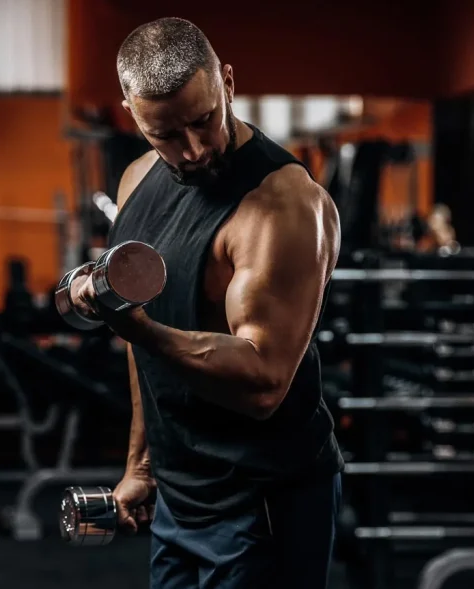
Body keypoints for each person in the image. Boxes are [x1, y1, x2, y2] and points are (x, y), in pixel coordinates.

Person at [70, 17, 344, 589]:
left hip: (261, 500)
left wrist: (138, 328)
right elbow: (144, 352)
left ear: (227, 81)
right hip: (179, 493)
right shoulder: (137, 180)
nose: (193, 149)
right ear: (131, 113)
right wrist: (142, 466)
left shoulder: (283, 206)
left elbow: (265, 381)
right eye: (167, 134)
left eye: (204, 120)